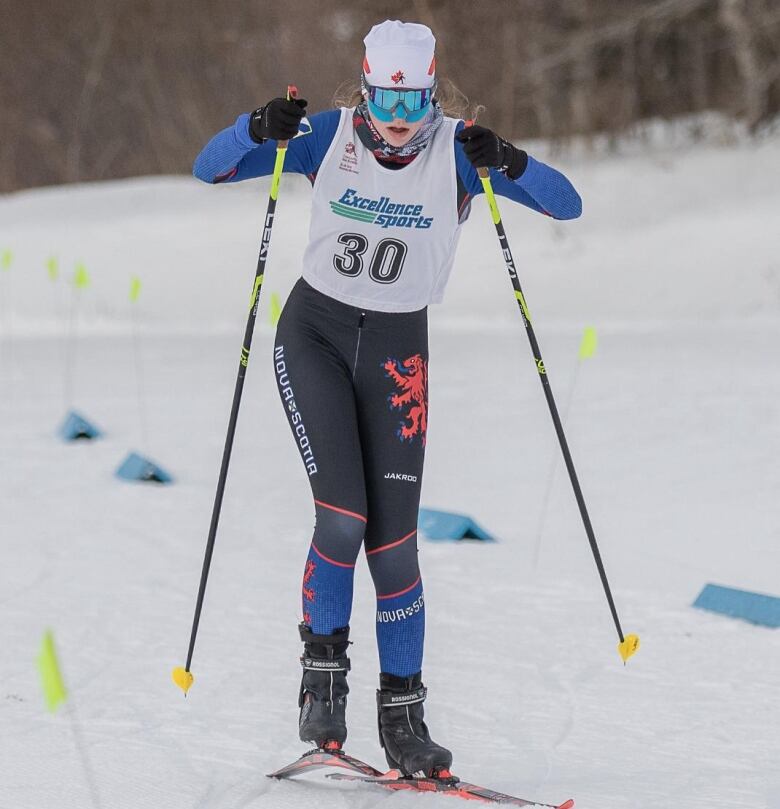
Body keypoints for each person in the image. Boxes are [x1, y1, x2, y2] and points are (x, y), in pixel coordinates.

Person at [193, 19, 581, 778]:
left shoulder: (457, 154)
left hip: (400, 354)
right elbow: (210, 169)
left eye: (414, 103)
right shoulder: (326, 134)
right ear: (364, 88)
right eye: (385, 101)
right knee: (343, 516)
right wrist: (254, 127)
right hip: (315, 336)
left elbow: (564, 205)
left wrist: (509, 160)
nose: (400, 121)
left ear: (432, 90)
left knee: (395, 545)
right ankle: (322, 680)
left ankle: (405, 716)